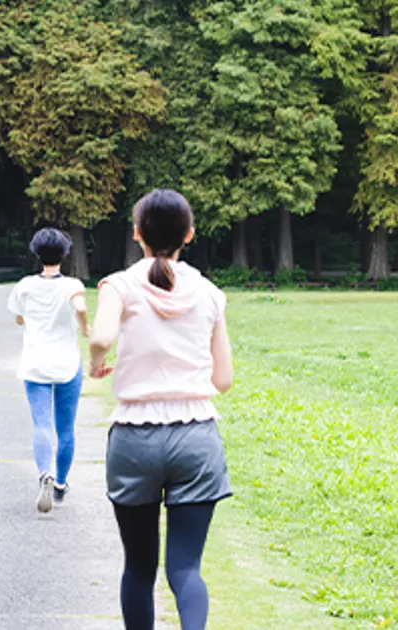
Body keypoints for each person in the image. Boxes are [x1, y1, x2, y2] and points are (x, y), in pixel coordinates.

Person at [88, 189, 234, 630]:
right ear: (189, 235)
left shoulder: (120, 285)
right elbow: (223, 380)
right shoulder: (209, 293)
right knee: (186, 569)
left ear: (137, 234)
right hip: (196, 437)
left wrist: (97, 362)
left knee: (138, 567)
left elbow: (100, 338)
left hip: (135, 436)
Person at [7, 228, 89, 513]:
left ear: (36, 253)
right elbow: (79, 306)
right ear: (66, 254)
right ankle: (61, 484)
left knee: (42, 424)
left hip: (35, 362)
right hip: (67, 362)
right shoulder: (72, 285)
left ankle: (45, 472)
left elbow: (19, 318)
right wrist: (86, 326)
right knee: (65, 428)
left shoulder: (26, 285)